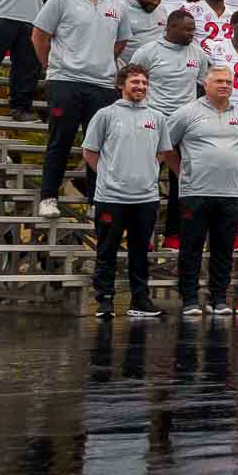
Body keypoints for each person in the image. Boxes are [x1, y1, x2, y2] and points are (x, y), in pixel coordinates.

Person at [31, 0, 124, 215]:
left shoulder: (116, 4)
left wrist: (101, 60)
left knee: (100, 145)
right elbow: (39, 34)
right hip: (65, 80)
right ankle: (49, 197)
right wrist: (48, 64)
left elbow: (121, 42)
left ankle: (97, 200)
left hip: (103, 84)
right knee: (61, 140)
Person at [161, 65, 238, 316]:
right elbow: (165, 146)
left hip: (231, 193)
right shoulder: (186, 112)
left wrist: (232, 167)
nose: (224, 85)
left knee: (223, 248)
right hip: (196, 191)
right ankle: (190, 298)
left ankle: (218, 298)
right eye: (219, 81)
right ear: (206, 84)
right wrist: (183, 171)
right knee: (191, 246)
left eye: (228, 81)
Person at [82, 66, 166, 318]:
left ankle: (140, 300)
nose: (140, 86)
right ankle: (105, 300)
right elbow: (90, 152)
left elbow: (161, 153)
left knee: (140, 251)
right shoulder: (105, 115)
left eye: (144, 82)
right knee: (106, 249)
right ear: (121, 84)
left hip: (146, 197)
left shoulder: (157, 117)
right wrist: (109, 176)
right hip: (111, 197)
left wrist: (148, 172)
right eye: (135, 82)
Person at [131, 8, 205, 247]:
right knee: (147, 177)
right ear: (170, 27)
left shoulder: (198, 54)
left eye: (193, 29)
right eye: (186, 29)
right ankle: (143, 232)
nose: (191, 33)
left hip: (185, 126)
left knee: (180, 179)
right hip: (154, 121)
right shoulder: (148, 51)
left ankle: (174, 234)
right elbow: (131, 83)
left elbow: (204, 85)